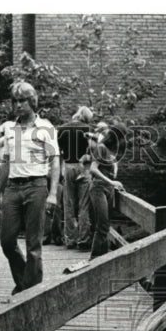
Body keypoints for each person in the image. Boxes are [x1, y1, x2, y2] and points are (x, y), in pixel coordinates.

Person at [0, 81, 60, 292]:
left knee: (34, 246)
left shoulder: (45, 127)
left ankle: (32, 293)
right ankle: (24, 284)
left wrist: (53, 193)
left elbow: (55, 161)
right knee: (6, 241)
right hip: (12, 188)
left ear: (32, 101)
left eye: (23, 100)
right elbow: (6, 164)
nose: (18, 105)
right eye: (15, 101)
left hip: (36, 187)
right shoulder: (11, 129)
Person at [56, 106, 95, 250]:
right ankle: (83, 240)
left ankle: (70, 239)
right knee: (84, 205)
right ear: (87, 117)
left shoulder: (62, 129)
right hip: (84, 167)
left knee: (69, 204)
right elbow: (93, 151)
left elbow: (58, 151)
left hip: (68, 166)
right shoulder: (88, 129)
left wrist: (60, 168)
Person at [85, 124, 125, 259]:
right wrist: (111, 182)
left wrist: (115, 184)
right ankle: (94, 259)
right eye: (122, 138)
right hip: (98, 188)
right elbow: (93, 169)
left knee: (105, 225)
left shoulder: (112, 153)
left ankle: (102, 258)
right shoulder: (101, 148)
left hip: (109, 190)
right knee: (101, 225)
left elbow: (111, 173)